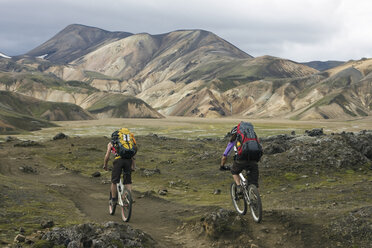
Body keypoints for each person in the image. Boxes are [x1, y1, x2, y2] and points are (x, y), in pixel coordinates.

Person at [220, 125, 260, 194]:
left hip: (241, 160)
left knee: (234, 171)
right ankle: (256, 199)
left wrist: (222, 166)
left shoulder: (233, 141)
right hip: (254, 160)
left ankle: (239, 187)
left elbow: (224, 156)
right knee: (254, 183)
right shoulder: (252, 139)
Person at [103, 129, 137, 205]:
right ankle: (129, 197)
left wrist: (105, 165)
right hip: (128, 161)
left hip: (118, 161)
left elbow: (107, 156)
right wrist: (133, 166)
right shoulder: (128, 144)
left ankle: (114, 200)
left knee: (114, 181)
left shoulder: (111, 143)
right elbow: (133, 156)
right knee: (128, 181)